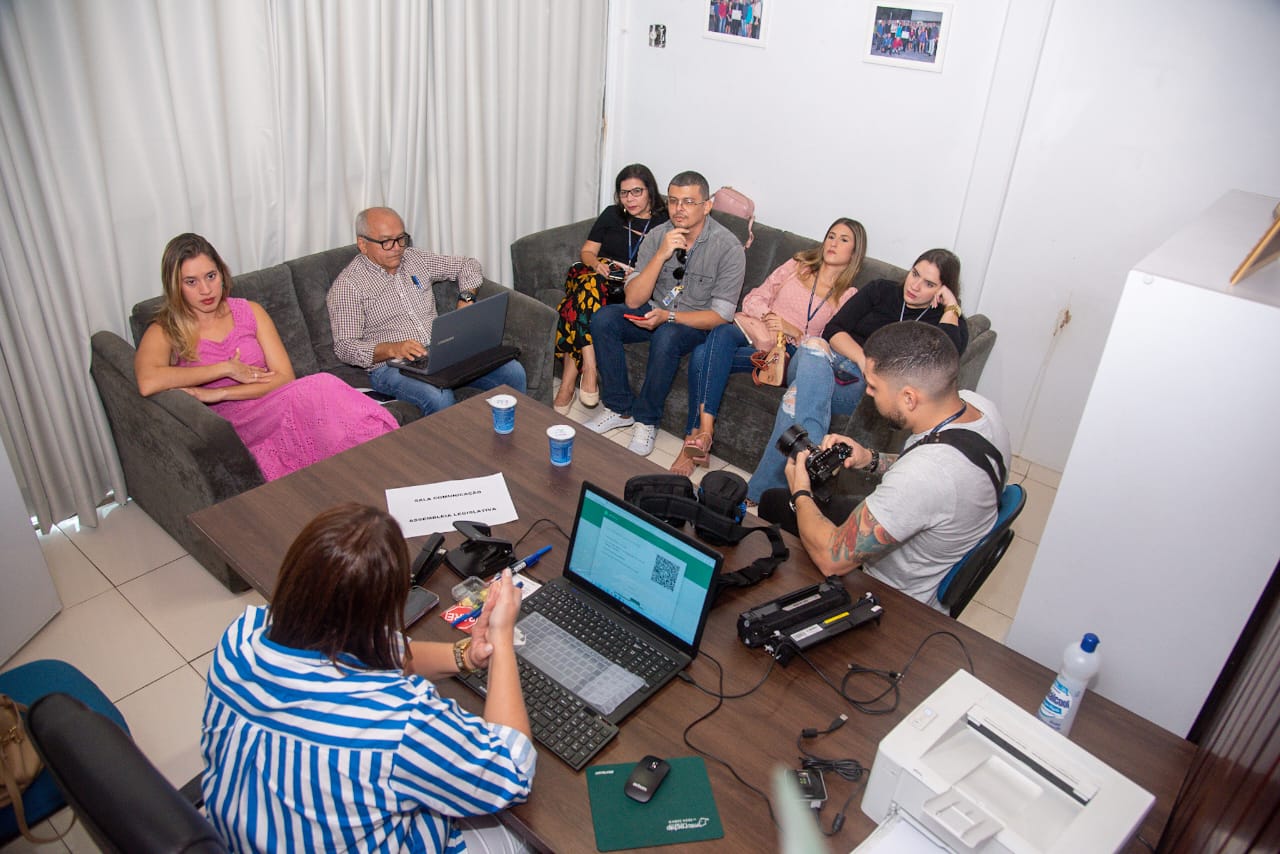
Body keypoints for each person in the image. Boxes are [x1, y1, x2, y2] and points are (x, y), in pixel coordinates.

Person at [202, 503, 534, 852]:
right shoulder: (397, 721)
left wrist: (463, 656)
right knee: (521, 839)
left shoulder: (242, 636)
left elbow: (375, 650)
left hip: (246, 840)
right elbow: (511, 771)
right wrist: (501, 638)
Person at [773, 322, 1011, 610]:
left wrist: (801, 491)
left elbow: (829, 559)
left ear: (909, 398)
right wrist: (869, 458)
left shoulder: (923, 476)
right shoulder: (978, 408)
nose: (869, 393)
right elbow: (924, 460)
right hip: (922, 537)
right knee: (777, 503)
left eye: (873, 386)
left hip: (893, 596)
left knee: (778, 507)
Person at [135, 233, 397, 481]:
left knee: (326, 397)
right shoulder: (165, 329)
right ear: (175, 286)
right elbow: (148, 380)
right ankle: (383, 462)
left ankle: (385, 464)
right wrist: (225, 369)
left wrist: (220, 393)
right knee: (321, 390)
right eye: (191, 282)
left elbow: (284, 378)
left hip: (271, 400)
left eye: (211, 276)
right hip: (229, 425)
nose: (206, 290)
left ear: (222, 273)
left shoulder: (250, 311)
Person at [746, 248, 968, 502]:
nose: (915, 286)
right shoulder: (881, 290)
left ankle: (758, 492)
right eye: (915, 274)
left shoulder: (944, 321)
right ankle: (814, 455)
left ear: (943, 290)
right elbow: (834, 329)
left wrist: (951, 307)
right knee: (813, 346)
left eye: (929, 284)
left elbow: (945, 360)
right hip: (827, 361)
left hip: (864, 386)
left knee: (796, 397)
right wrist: (865, 360)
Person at [672, 218, 867, 477]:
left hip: (788, 354)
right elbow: (754, 298)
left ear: (855, 252)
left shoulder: (849, 296)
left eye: (844, 240)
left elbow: (827, 344)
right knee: (722, 332)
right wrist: (770, 319)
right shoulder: (798, 265)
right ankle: (704, 433)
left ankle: (694, 439)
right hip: (754, 330)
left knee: (701, 354)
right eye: (831, 236)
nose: (833, 243)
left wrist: (794, 331)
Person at [584, 171, 746, 457]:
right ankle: (620, 409)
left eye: (688, 202)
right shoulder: (658, 235)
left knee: (668, 335)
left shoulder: (728, 247)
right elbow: (634, 300)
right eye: (673, 201)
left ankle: (646, 419)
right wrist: (660, 255)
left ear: (707, 206)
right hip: (656, 308)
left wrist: (668, 317)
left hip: (696, 322)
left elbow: (721, 316)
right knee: (604, 318)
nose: (678, 209)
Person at [327, 207, 527, 416]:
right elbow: (345, 347)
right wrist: (392, 349)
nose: (397, 248)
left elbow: (467, 265)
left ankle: (515, 435)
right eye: (386, 242)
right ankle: (454, 448)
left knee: (513, 372)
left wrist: (466, 298)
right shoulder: (348, 286)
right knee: (438, 397)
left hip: (440, 349)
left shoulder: (415, 259)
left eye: (401, 238)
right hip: (392, 367)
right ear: (363, 244)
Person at [553, 164, 667, 414]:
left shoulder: (664, 222)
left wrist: (635, 273)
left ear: (650, 191)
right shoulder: (612, 214)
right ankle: (591, 369)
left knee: (573, 307)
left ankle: (568, 384)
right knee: (588, 284)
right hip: (596, 274)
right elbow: (587, 252)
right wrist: (597, 265)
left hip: (630, 285)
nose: (630, 199)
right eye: (624, 193)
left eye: (636, 191)